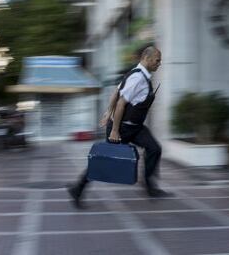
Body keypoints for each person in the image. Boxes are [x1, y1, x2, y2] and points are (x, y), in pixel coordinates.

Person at [67, 43, 174, 208]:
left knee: (154, 148)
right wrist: (115, 130)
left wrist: (107, 113)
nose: (159, 63)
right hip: (122, 128)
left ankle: (150, 186)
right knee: (104, 160)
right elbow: (121, 103)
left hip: (135, 127)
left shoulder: (138, 74)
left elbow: (116, 92)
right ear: (147, 58)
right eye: (157, 60)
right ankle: (77, 189)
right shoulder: (137, 77)